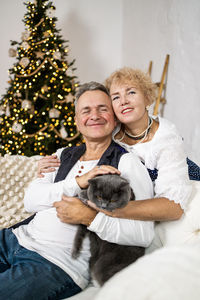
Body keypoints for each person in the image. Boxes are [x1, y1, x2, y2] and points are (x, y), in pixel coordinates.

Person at [0, 82, 155, 300]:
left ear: (114, 117)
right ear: (76, 121)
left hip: (54, 264)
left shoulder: (127, 163)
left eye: (103, 108)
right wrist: (78, 182)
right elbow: (31, 201)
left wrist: (91, 218)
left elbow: (143, 234)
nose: (95, 115)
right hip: (12, 239)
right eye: (86, 110)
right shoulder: (64, 154)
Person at [39, 67, 194, 224]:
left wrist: (104, 211)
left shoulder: (166, 138)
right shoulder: (111, 126)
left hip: (171, 198)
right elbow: (86, 151)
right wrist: (52, 165)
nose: (124, 101)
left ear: (147, 98)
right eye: (115, 97)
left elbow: (174, 207)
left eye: (131, 92)